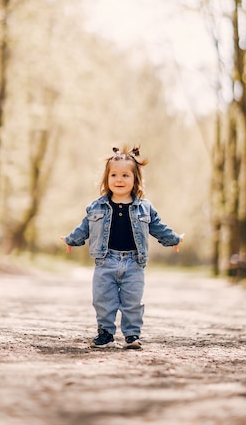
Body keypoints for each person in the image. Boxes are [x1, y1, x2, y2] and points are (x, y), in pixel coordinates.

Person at [61, 146, 184, 350]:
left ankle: (132, 334)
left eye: (125, 175)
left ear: (135, 179)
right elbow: (85, 227)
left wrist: (174, 239)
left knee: (133, 301)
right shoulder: (96, 207)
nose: (119, 179)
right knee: (103, 300)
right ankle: (106, 333)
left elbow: (158, 227)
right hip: (105, 261)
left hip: (134, 263)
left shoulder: (145, 207)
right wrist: (71, 240)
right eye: (114, 175)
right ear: (106, 178)